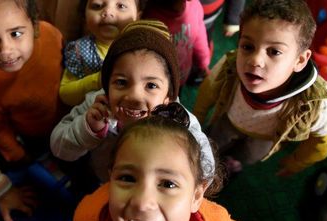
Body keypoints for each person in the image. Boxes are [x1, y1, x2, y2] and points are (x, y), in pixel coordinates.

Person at [51, 20, 215, 186]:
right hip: (104, 184)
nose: (134, 96)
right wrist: (88, 129)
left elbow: (206, 170)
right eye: (121, 82)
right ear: (107, 86)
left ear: (169, 96)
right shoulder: (97, 108)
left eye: (151, 85)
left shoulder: (180, 121)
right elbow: (58, 147)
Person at [193, 0, 327, 176]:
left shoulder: (318, 103)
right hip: (229, 120)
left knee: (249, 155)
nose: (255, 60)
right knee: (214, 140)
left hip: (265, 138)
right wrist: (196, 120)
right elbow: (207, 91)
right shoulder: (229, 67)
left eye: (274, 52)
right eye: (248, 47)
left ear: (300, 60)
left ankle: (233, 162)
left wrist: (296, 162)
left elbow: (324, 141)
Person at [73, 103, 248, 221]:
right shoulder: (88, 220)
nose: (142, 203)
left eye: (168, 184)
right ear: (110, 178)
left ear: (196, 196)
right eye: (127, 178)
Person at [0, 0, 68, 165]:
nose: (5, 50)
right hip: (41, 139)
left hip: (78, 114)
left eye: (15, 34)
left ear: (34, 27)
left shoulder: (49, 33)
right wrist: (18, 155)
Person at [60, 0, 147, 106]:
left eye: (121, 6)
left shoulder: (144, 49)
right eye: (97, 6)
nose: (107, 12)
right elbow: (65, 94)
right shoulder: (79, 50)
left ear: (138, 16)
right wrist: (96, 80)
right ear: (85, 13)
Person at [143, 0, 211, 85]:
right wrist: (203, 64)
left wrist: (203, 63)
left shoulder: (194, 7)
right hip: (158, 80)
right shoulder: (148, 19)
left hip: (180, 76)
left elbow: (199, 39)